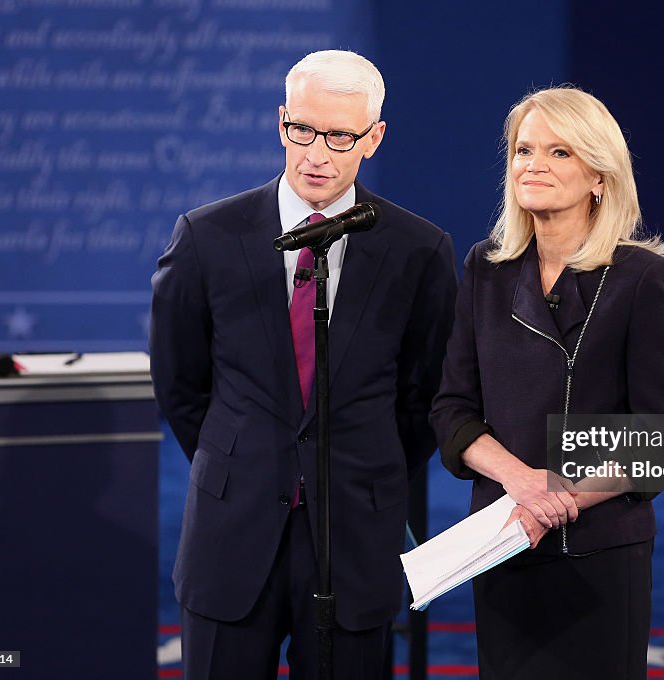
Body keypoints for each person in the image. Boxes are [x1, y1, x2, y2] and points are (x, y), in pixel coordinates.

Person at [150, 50, 457, 680]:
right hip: (231, 531)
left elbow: (425, 397)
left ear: (373, 139)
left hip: (353, 533)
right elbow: (180, 386)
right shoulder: (208, 237)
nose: (317, 153)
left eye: (340, 136)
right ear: (281, 120)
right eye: (303, 130)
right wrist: (237, 459)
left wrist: (362, 467)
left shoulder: (417, 251)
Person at [430, 86, 664, 679]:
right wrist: (522, 483)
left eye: (559, 153)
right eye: (524, 151)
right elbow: (452, 409)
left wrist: (559, 502)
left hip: (602, 551)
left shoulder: (642, 278)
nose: (534, 165)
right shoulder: (485, 268)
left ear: (599, 176)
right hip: (502, 542)